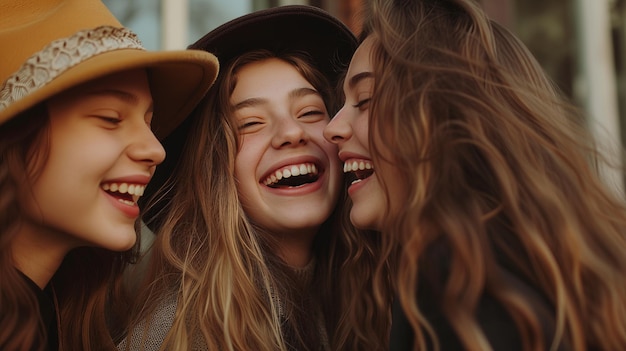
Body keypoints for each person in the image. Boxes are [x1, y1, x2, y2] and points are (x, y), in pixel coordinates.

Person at [324, 0, 626, 350]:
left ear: (445, 114)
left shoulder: (459, 286)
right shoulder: (542, 264)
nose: (333, 128)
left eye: (365, 100)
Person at [120, 5, 393, 351]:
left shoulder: (376, 297)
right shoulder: (184, 335)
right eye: (251, 123)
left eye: (310, 112)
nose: (291, 132)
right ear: (214, 170)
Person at [0, 0, 219, 350]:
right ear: (14, 138)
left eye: (148, 122)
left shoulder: (63, 317)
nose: (156, 150)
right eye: (110, 118)